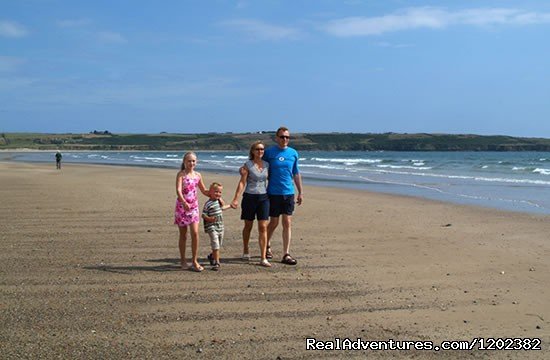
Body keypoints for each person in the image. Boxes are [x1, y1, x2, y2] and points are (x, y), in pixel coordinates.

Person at [263, 126, 303, 265]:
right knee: (273, 223)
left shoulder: (293, 153)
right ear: (277, 138)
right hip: (273, 193)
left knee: (287, 222)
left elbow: (296, 173)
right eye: (282, 137)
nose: (285, 139)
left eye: (287, 137)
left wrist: (300, 191)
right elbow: (259, 166)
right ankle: (266, 245)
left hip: (288, 192)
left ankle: (286, 253)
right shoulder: (269, 153)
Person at [231, 141, 272, 267]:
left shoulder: (267, 165)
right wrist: (236, 198)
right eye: (258, 149)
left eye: (262, 149)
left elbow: (271, 180)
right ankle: (245, 249)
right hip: (249, 197)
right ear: (253, 151)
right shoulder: (247, 165)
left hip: (264, 198)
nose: (260, 151)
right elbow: (242, 182)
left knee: (263, 227)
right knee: (248, 225)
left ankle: (263, 257)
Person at [174, 152, 210, 272]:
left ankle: (194, 260)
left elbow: (204, 190)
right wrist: (184, 202)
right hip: (182, 207)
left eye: (193, 161)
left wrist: (216, 193)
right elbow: (178, 190)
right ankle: (183, 260)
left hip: (194, 208)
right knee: (183, 235)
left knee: (195, 233)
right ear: (184, 162)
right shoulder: (181, 174)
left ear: (196, 162)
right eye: (189, 161)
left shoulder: (198, 175)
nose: (191, 163)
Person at [203, 182, 232, 271]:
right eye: (216, 192)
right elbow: (203, 215)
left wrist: (231, 206)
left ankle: (212, 256)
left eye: (220, 192)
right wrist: (209, 219)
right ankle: (217, 262)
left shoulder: (218, 202)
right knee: (215, 244)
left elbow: (223, 208)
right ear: (210, 192)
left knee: (219, 244)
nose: (218, 194)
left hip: (220, 226)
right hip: (211, 226)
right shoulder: (208, 203)